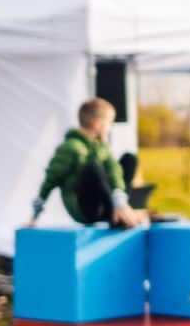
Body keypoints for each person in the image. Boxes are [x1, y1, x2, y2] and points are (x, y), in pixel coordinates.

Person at [29, 98, 146, 229]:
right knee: (93, 167)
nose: (110, 127)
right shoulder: (70, 147)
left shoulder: (101, 146)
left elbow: (113, 171)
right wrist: (34, 217)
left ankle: (120, 211)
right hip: (86, 209)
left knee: (129, 159)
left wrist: (120, 201)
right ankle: (116, 214)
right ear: (97, 124)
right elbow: (50, 180)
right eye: (109, 123)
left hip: (106, 204)